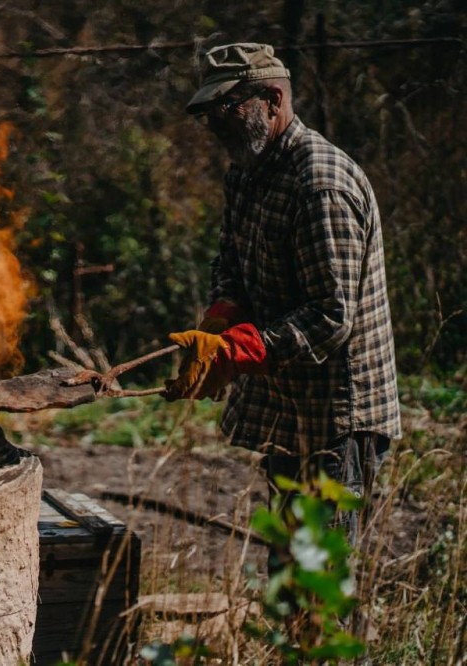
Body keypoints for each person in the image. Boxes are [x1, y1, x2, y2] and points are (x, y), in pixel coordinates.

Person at [161, 42, 402, 632]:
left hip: (337, 419)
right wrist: (220, 317)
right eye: (209, 113)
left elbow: (331, 314)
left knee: (320, 593)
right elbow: (232, 262)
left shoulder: (321, 185)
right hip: (288, 409)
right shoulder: (248, 172)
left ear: (273, 100)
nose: (216, 124)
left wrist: (242, 352)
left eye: (228, 108)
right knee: (288, 591)